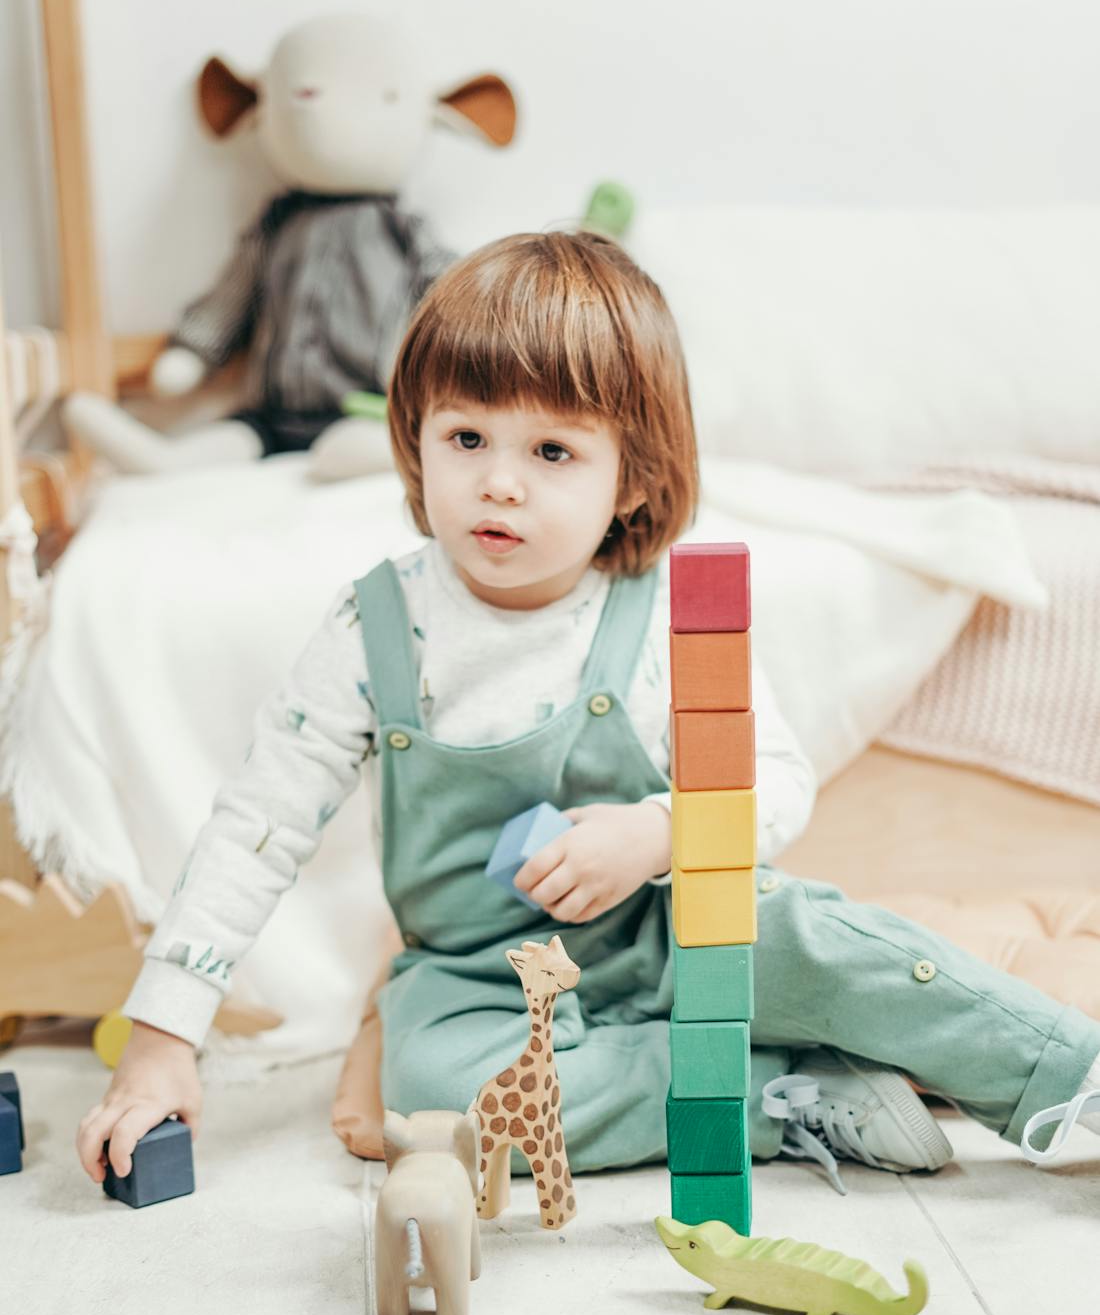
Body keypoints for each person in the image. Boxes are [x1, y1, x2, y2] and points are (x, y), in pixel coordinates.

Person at [76, 231, 1100, 1191]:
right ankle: (778, 1095)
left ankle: (1063, 1077)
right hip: (478, 975)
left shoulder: (655, 615)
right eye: (466, 437)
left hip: (666, 925)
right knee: (435, 1101)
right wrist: (164, 1039)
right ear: (414, 441)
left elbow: (776, 784)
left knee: (817, 937)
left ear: (630, 479)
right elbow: (254, 828)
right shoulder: (372, 628)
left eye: (551, 453)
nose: (499, 484)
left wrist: (657, 831)